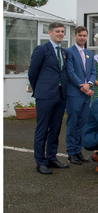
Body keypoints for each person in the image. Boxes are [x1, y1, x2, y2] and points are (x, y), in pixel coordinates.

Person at [28, 22, 70, 174]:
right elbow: (32, 72)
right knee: (42, 129)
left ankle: (52, 158)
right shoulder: (41, 49)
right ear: (50, 32)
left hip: (60, 95)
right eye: (57, 31)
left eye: (62, 31)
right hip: (45, 95)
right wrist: (40, 89)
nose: (60, 34)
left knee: (55, 129)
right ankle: (40, 162)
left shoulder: (64, 52)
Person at [65, 26, 97, 165]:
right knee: (72, 123)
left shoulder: (89, 53)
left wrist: (89, 84)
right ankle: (71, 152)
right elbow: (70, 73)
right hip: (74, 94)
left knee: (82, 124)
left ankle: (78, 151)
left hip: (86, 94)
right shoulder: (69, 52)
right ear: (75, 36)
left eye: (84, 35)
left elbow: (93, 72)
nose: (82, 38)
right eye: (80, 35)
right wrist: (83, 87)